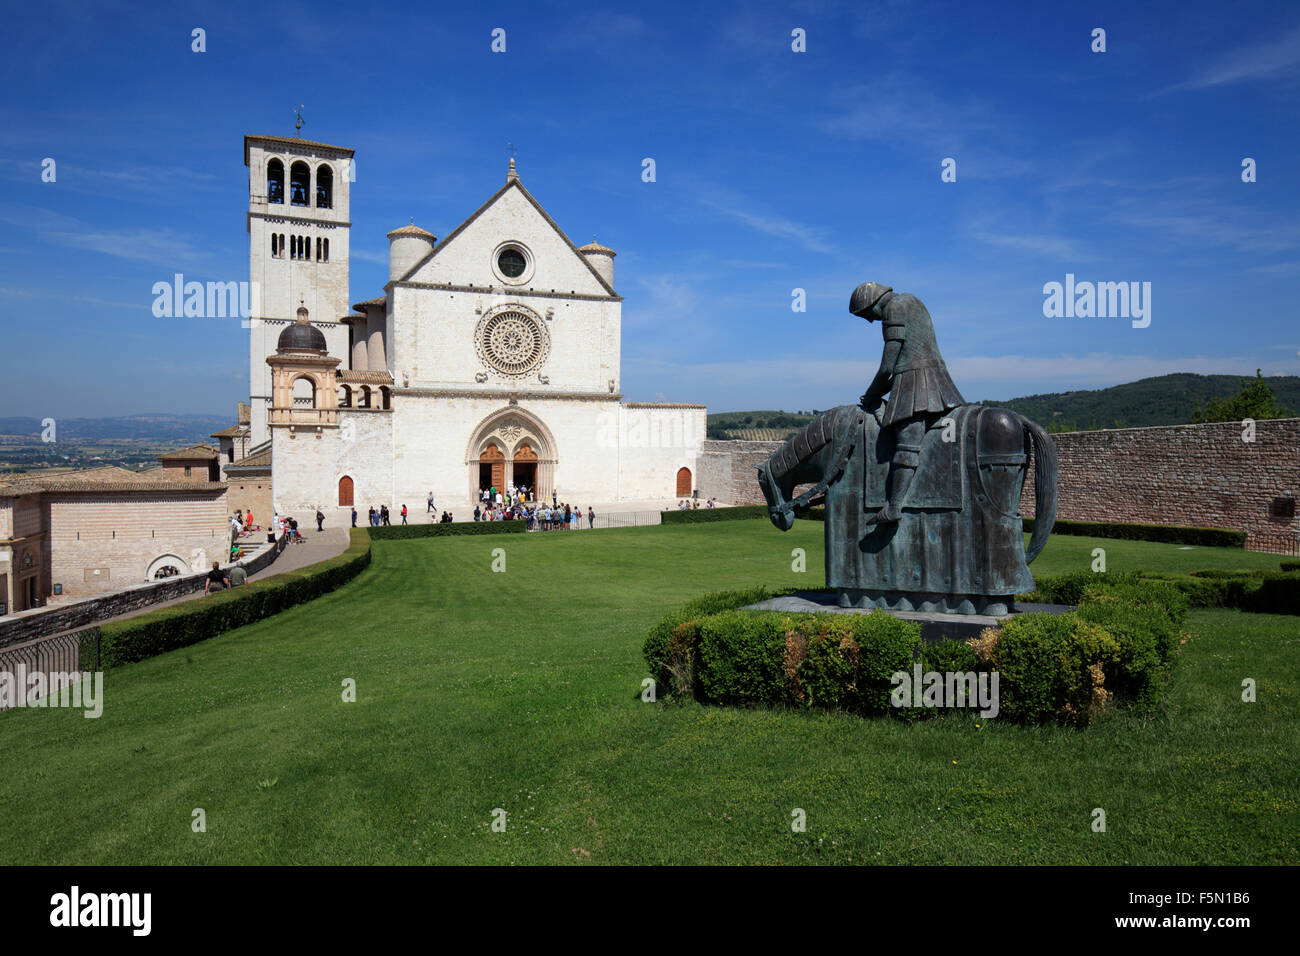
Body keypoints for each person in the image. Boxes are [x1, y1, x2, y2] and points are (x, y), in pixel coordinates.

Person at [850, 281, 965, 526]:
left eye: (866, 315)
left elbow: (887, 368)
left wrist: (870, 395)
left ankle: (893, 506)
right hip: (933, 379)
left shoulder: (894, 308)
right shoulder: (912, 301)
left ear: (872, 303)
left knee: (907, 444)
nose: (870, 321)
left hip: (917, 385)